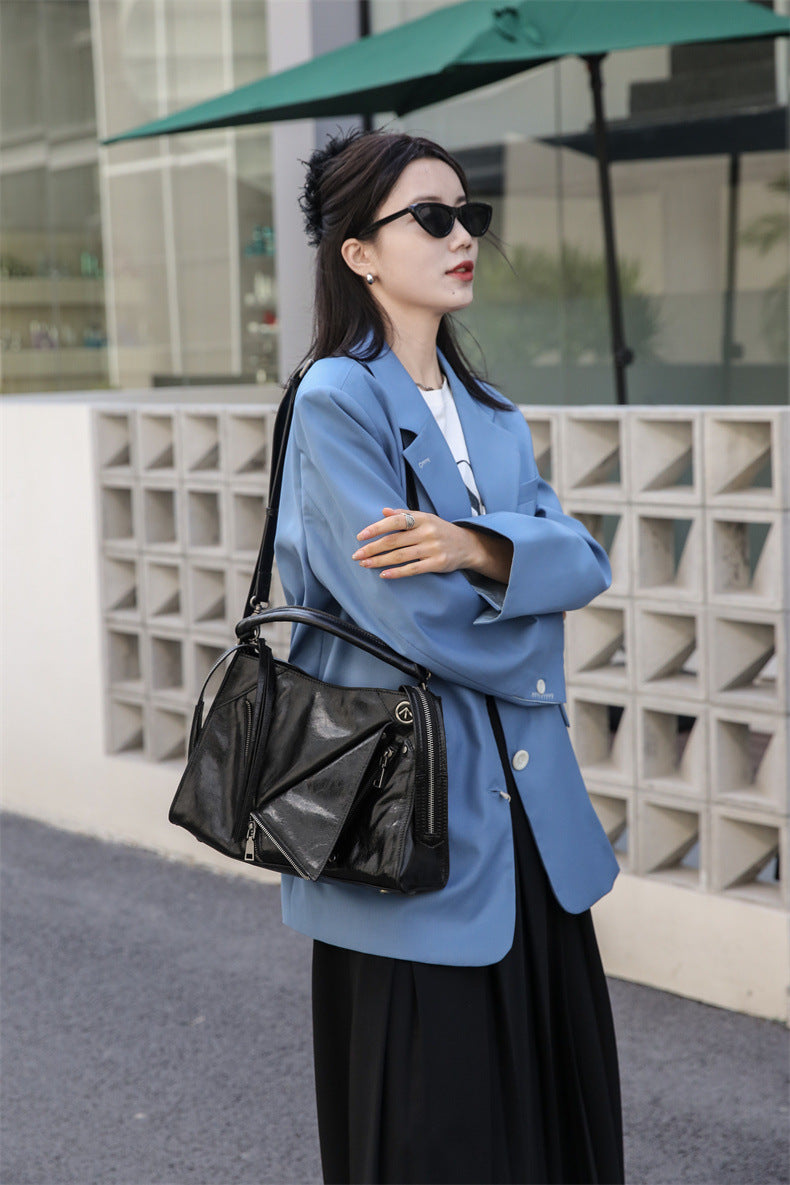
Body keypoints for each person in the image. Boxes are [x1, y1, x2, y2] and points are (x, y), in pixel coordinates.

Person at [274, 128, 625, 1185]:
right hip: (411, 821)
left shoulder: (493, 414)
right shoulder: (335, 400)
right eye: (431, 218)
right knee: (440, 1133)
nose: (462, 235)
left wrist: (476, 547)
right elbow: (413, 618)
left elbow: (586, 559)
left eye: (470, 214)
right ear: (359, 253)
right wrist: (528, 606)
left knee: (551, 1125)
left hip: (529, 825)